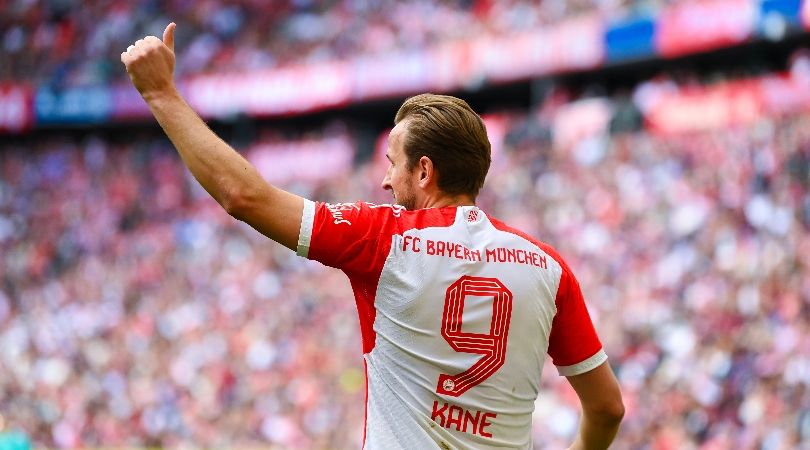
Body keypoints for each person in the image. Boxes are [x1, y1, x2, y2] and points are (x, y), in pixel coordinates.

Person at [120, 23, 625, 450]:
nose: (385, 181)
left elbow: (243, 196)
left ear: (424, 172)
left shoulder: (385, 239)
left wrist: (161, 95)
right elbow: (606, 408)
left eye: (392, 164)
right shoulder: (549, 268)